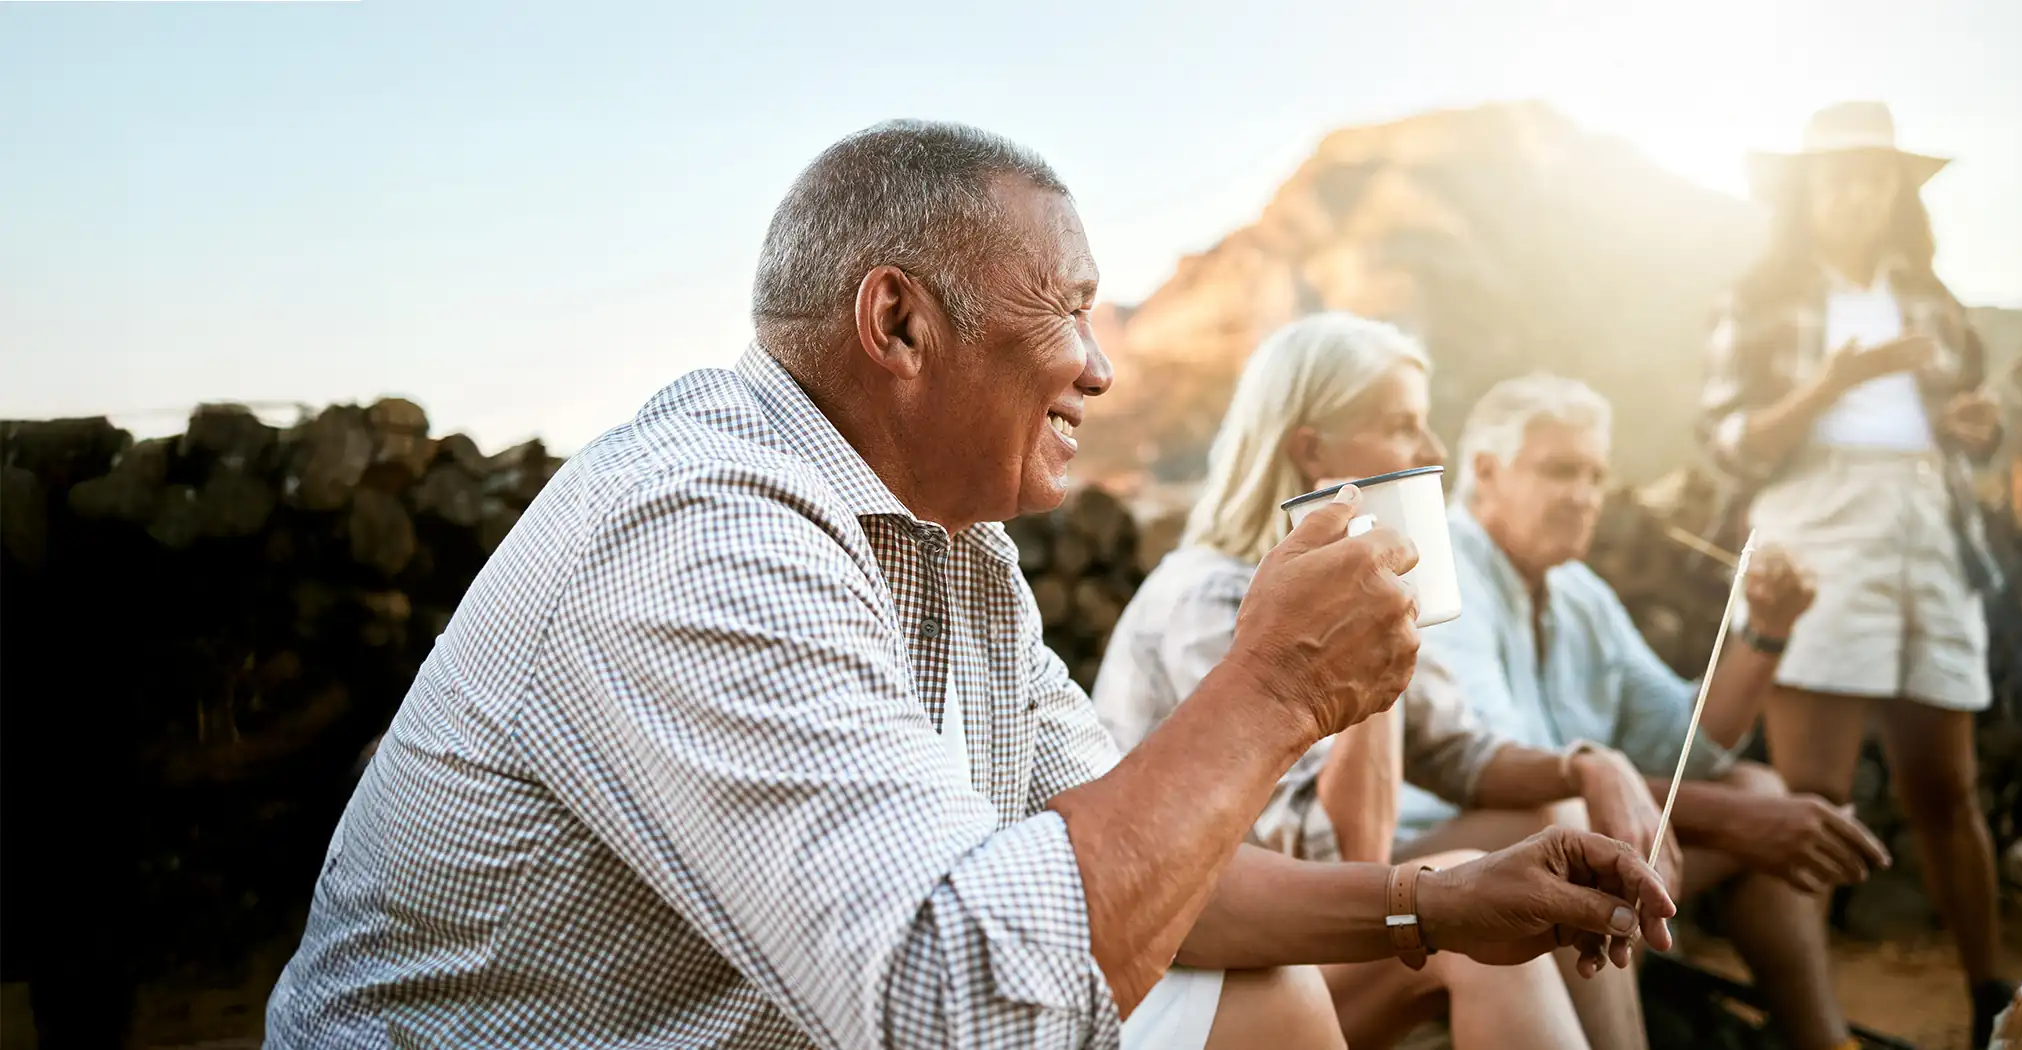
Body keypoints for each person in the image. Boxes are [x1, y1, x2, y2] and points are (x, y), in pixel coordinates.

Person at [263, 120, 1677, 1050]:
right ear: (899, 321)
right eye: (1069, 307)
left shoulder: (955, 547)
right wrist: (1277, 686)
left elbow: (1133, 868)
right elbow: (956, 1007)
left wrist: (1438, 901)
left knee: (1269, 992)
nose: (1103, 363)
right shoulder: (700, 530)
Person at [1094, 313, 1676, 1050]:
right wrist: (1369, 629)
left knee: (1561, 822)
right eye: (1404, 427)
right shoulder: (1212, 601)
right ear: (1314, 453)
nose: (1432, 453)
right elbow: (1348, 854)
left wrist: (1588, 764)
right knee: (1481, 918)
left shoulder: (1346, 589)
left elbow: (1459, 753)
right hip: (1207, 968)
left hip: (1289, 933)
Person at [1398, 374, 1888, 1050]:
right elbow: (1521, 775)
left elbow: (1679, 741)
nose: (1583, 496)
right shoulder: (1445, 576)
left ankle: (1823, 1041)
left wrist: (1765, 632)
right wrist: (1739, 820)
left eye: (1596, 476)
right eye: (1560, 471)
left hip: (1560, 819)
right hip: (1438, 856)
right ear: (1486, 471)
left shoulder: (1577, 591)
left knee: (1756, 787)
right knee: (1574, 842)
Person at [1695, 100, 2011, 1045]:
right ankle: (1811, 1015)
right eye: (1836, 178)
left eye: (1872, 178)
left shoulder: (1931, 297)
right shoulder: (1757, 300)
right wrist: (1830, 385)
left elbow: (1968, 418)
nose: (1855, 195)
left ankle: (1992, 1000)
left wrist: (1975, 427)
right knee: (1814, 798)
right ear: (1805, 192)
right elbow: (1727, 445)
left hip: (1927, 528)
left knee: (1946, 788)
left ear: (1894, 192)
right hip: (1818, 527)